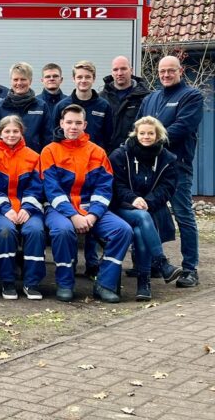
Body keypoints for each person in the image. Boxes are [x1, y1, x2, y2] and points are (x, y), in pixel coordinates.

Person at [41, 104, 132, 303]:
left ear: (85, 125)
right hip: (60, 209)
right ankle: (65, 284)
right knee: (63, 231)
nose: (73, 127)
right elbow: (52, 190)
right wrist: (73, 215)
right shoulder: (50, 151)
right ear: (61, 124)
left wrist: (92, 215)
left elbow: (104, 188)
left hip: (91, 209)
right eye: (69, 122)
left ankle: (104, 284)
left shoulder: (97, 152)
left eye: (78, 123)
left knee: (122, 230)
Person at [139, 56, 203, 288]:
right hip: (150, 168)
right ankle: (155, 264)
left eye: (170, 71)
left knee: (183, 215)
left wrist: (151, 140)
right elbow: (139, 128)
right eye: (162, 71)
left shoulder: (191, 96)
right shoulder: (151, 98)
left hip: (177, 167)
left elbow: (182, 127)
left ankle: (190, 268)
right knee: (151, 213)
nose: (165, 75)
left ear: (181, 71)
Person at [109, 116, 182, 300]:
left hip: (151, 208)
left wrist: (148, 201)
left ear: (158, 136)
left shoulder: (167, 158)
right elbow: (116, 185)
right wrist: (133, 199)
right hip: (122, 207)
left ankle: (144, 285)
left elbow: (167, 188)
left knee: (141, 229)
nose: (146, 137)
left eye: (151, 133)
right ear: (135, 133)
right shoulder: (120, 155)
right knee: (141, 217)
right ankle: (162, 264)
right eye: (142, 133)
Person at [0, 116, 46, 300]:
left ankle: (32, 282)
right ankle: (7, 281)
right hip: (0, 209)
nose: (11, 135)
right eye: (7, 131)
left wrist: (26, 208)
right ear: (0, 133)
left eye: (15, 131)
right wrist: (6, 209)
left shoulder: (33, 156)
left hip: (28, 209)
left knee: (35, 231)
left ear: (22, 132)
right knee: (5, 231)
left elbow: (37, 186)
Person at [0, 62, 50, 153]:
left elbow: (47, 136)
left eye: (23, 79)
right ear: (11, 81)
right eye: (15, 79)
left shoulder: (41, 106)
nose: (19, 83)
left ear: (30, 81)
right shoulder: (1, 106)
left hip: (33, 159)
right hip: (5, 160)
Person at [52, 60, 113, 150]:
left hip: (94, 158)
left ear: (94, 78)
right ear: (74, 79)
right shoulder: (61, 106)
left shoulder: (104, 106)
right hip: (67, 158)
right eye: (79, 77)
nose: (83, 80)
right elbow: (55, 135)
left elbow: (108, 136)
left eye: (87, 77)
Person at [100, 55, 150, 153]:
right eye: (115, 70)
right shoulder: (101, 98)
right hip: (106, 155)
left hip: (134, 155)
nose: (119, 73)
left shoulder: (145, 97)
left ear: (131, 70)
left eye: (123, 69)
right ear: (112, 72)